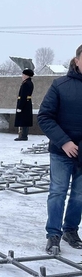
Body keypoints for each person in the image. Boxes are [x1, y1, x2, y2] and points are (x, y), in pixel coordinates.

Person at [37, 44, 82, 255]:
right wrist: (64, 142)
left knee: (80, 195)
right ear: (77, 61)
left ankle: (70, 230)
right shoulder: (60, 85)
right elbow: (45, 117)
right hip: (61, 151)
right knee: (57, 192)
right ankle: (53, 234)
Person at [14, 68, 34, 141]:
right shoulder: (28, 83)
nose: (22, 76)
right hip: (27, 103)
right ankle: (23, 135)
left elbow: (23, 96)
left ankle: (23, 135)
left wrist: (20, 106)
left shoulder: (26, 84)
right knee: (24, 120)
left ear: (27, 75)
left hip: (24, 104)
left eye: (23, 74)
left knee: (23, 120)